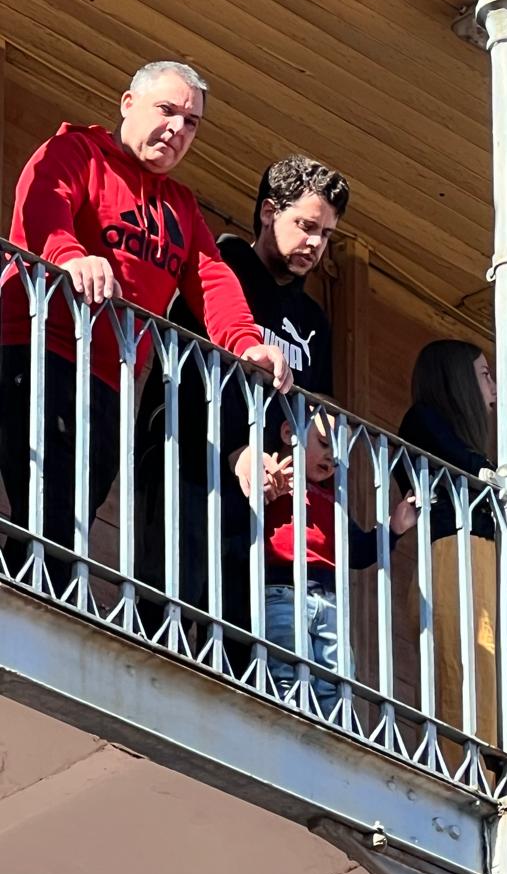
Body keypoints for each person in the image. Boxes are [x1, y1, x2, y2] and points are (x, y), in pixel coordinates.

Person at [0, 61, 290, 595]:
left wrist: (247, 342)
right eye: (167, 111)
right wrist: (72, 256)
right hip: (38, 348)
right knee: (50, 494)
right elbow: (45, 205)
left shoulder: (180, 206)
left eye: (192, 122)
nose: (178, 129)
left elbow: (211, 277)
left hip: (110, 378)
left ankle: (39, 588)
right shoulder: (75, 152)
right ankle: (44, 597)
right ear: (128, 104)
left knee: (79, 496)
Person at [134, 154, 348, 637]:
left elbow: (317, 410)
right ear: (270, 211)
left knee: (237, 637)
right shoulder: (223, 266)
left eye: (327, 235)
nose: (315, 244)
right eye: (306, 225)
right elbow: (183, 373)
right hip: (187, 461)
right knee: (171, 608)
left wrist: (297, 457)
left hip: (265, 497)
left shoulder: (313, 320)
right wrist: (234, 448)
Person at [262, 408, 417, 717]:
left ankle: (335, 726)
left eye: (338, 453)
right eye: (323, 443)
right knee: (287, 668)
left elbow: (356, 551)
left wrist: (394, 527)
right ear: (287, 434)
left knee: (337, 676)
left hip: (328, 600)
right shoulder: (274, 479)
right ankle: (286, 720)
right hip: (283, 591)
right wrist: (267, 484)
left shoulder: (332, 500)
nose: (331, 457)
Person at [398, 339, 499, 745]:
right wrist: (491, 472)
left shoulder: (465, 444)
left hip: (478, 556)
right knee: (469, 667)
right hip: (455, 553)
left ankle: (493, 768)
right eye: (485, 375)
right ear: (458, 382)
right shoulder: (422, 420)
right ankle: (470, 771)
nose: (493, 387)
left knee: (489, 672)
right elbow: (462, 461)